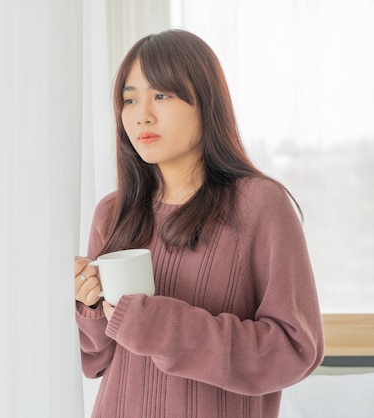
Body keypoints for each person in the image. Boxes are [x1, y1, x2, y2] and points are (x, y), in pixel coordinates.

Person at [74, 29, 324, 418]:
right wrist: (88, 307)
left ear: (205, 103)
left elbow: (293, 351)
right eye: (129, 99)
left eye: (161, 95)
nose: (142, 114)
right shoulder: (112, 212)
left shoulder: (259, 206)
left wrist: (158, 326)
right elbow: (94, 361)